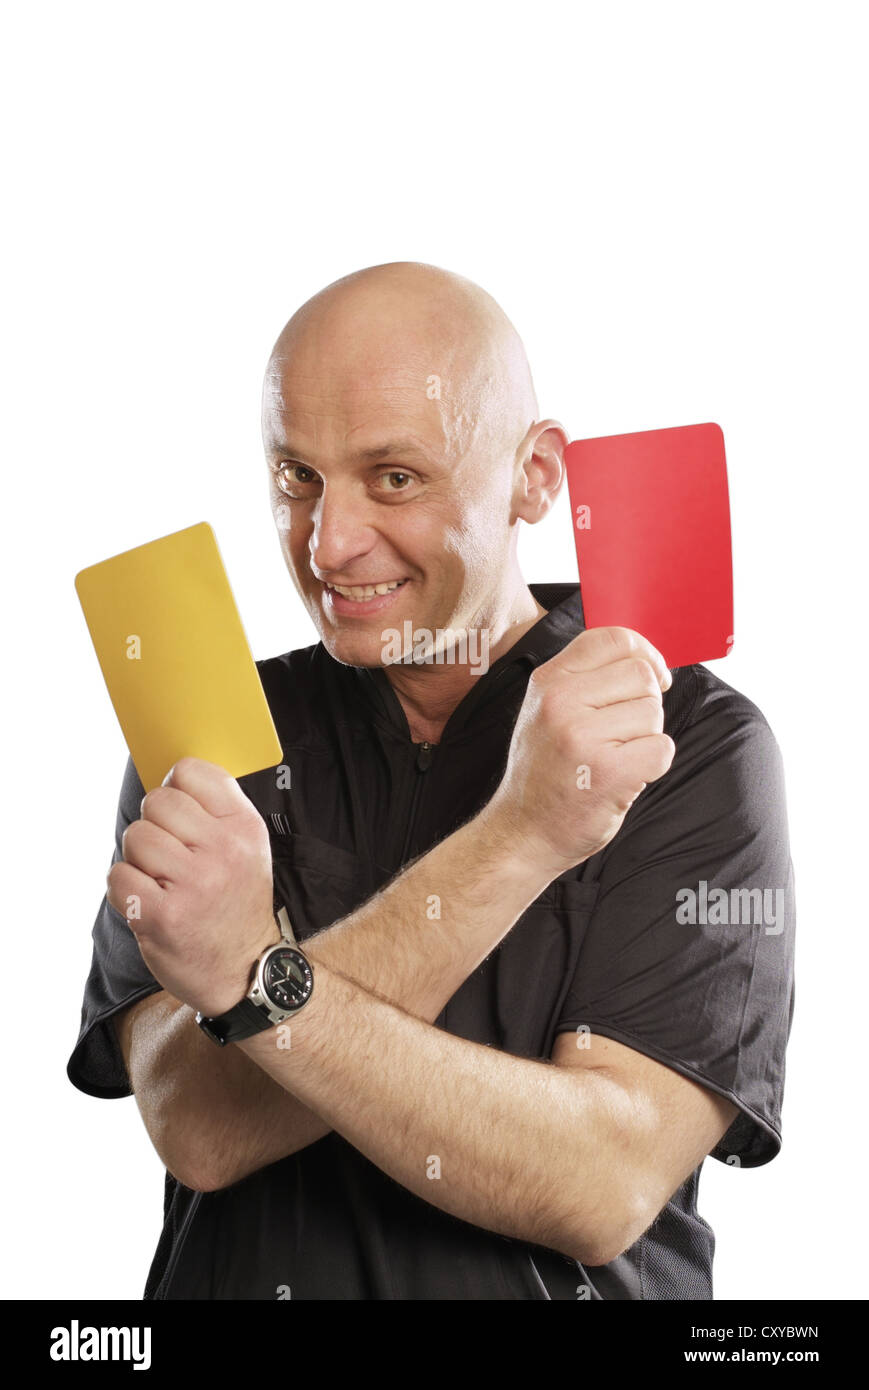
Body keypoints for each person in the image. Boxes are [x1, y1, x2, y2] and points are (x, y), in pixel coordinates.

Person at [67, 261, 795, 1300]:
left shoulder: (686, 740)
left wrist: (257, 977)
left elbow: (599, 1181)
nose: (329, 542)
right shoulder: (208, 739)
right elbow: (202, 1128)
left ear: (535, 476)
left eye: (393, 477)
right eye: (296, 477)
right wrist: (522, 838)